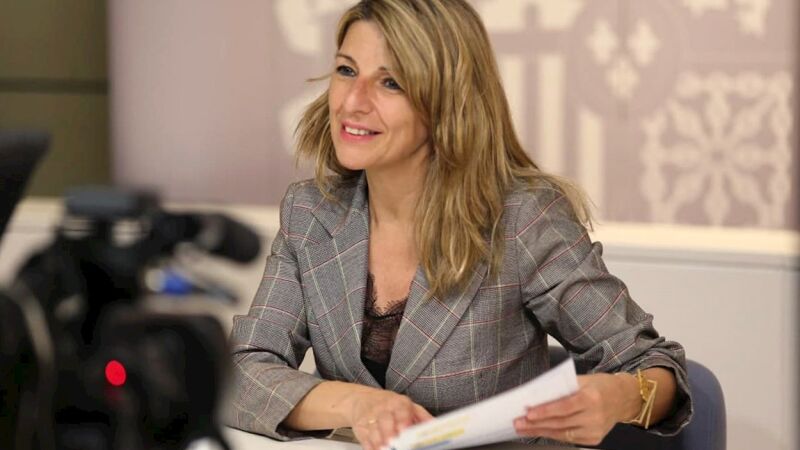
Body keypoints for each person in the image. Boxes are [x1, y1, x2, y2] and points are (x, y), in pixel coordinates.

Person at [225, 1, 692, 449]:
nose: (353, 101)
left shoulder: (522, 219)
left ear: (447, 102)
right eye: (347, 71)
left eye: (391, 83)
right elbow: (241, 375)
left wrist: (621, 397)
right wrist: (358, 405)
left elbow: (652, 364)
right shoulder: (311, 213)